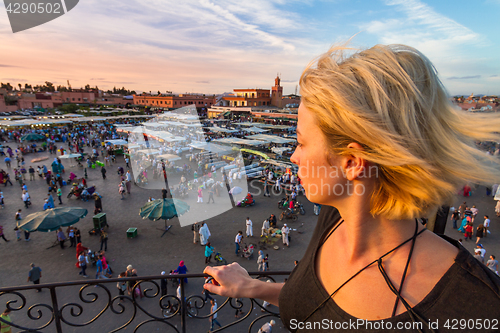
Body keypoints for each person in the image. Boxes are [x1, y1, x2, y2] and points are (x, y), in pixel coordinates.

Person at [202, 43, 500, 330]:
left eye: (302, 143)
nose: (293, 156)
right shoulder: (333, 217)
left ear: (353, 162)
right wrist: (252, 287)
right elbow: (315, 304)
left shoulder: (480, 306)